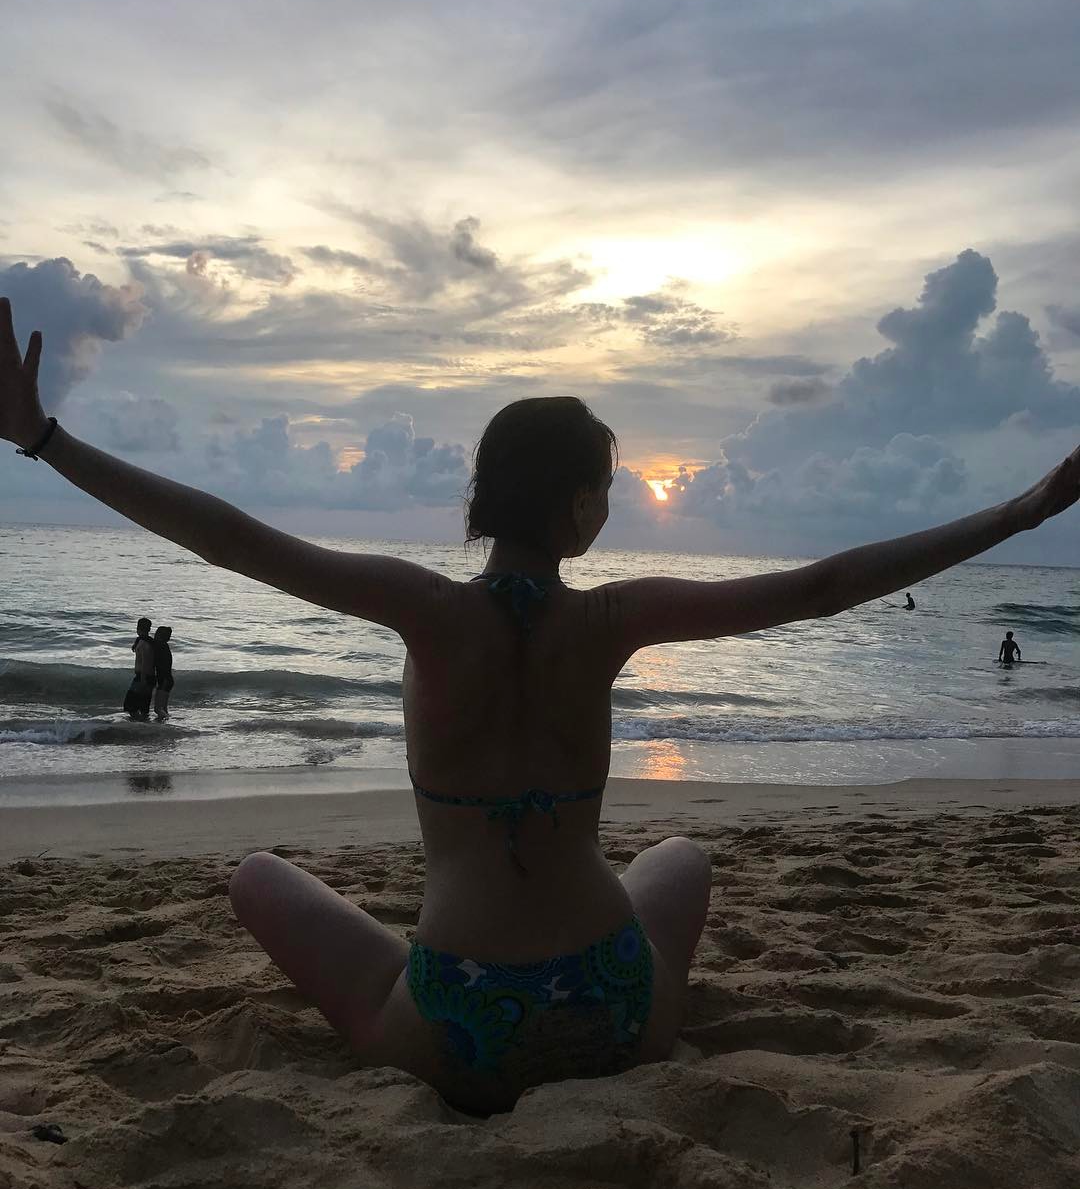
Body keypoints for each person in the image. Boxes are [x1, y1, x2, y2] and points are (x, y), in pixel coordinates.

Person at [4, 297, 1080, 1114]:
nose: (609, 507)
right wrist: (1022, 513)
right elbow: (821, 587)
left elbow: (229, 539)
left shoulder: (424, 609)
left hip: (458, 1031)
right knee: (681, 858)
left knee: (255, 877)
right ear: (576, 504)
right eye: (604, 489)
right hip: (618, 1012)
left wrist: (46, 442)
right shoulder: (612, 618)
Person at [123, 616, 155, 720]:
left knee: (130, 704)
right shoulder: (145, 641)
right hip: (147, 676)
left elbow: (145, 663)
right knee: (143, 704)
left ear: (138, 628)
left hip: (143, 676)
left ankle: (139, 723)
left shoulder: (143, 644)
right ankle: (143, 723)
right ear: (149, 629)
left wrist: (143, 679)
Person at [153, 625, 174, 721]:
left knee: (158, 709)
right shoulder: (164, 646)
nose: (154, 635)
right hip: (168, 679)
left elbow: (148, 641)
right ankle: (165, 723)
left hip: (165, 680)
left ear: (159, 635)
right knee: (163, 708)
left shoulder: (160, 646)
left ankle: (167, 720)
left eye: (156, 633)